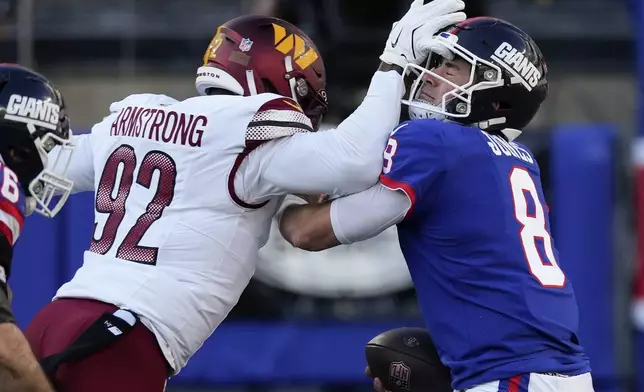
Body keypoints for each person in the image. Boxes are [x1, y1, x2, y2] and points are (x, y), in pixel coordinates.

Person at [24, 1, 467, 391]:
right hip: (124, 334)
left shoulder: (139, 114)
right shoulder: (245, 129)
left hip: (57, 319)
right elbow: (354, 159)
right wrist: (392, 65)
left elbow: (47, 166)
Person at [279, 17, 595, 392]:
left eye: (452, 66)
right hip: (555, 370)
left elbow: (308, 233)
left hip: (511, 374)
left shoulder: (434, 140)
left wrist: (277, 198)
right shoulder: (517, 156)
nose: (430, 75)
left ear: (496, 93)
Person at [0, 64, 76, 392]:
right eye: (47, 149)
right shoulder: (4, 184)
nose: (50, 164)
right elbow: (4, 346)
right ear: (17, 148)